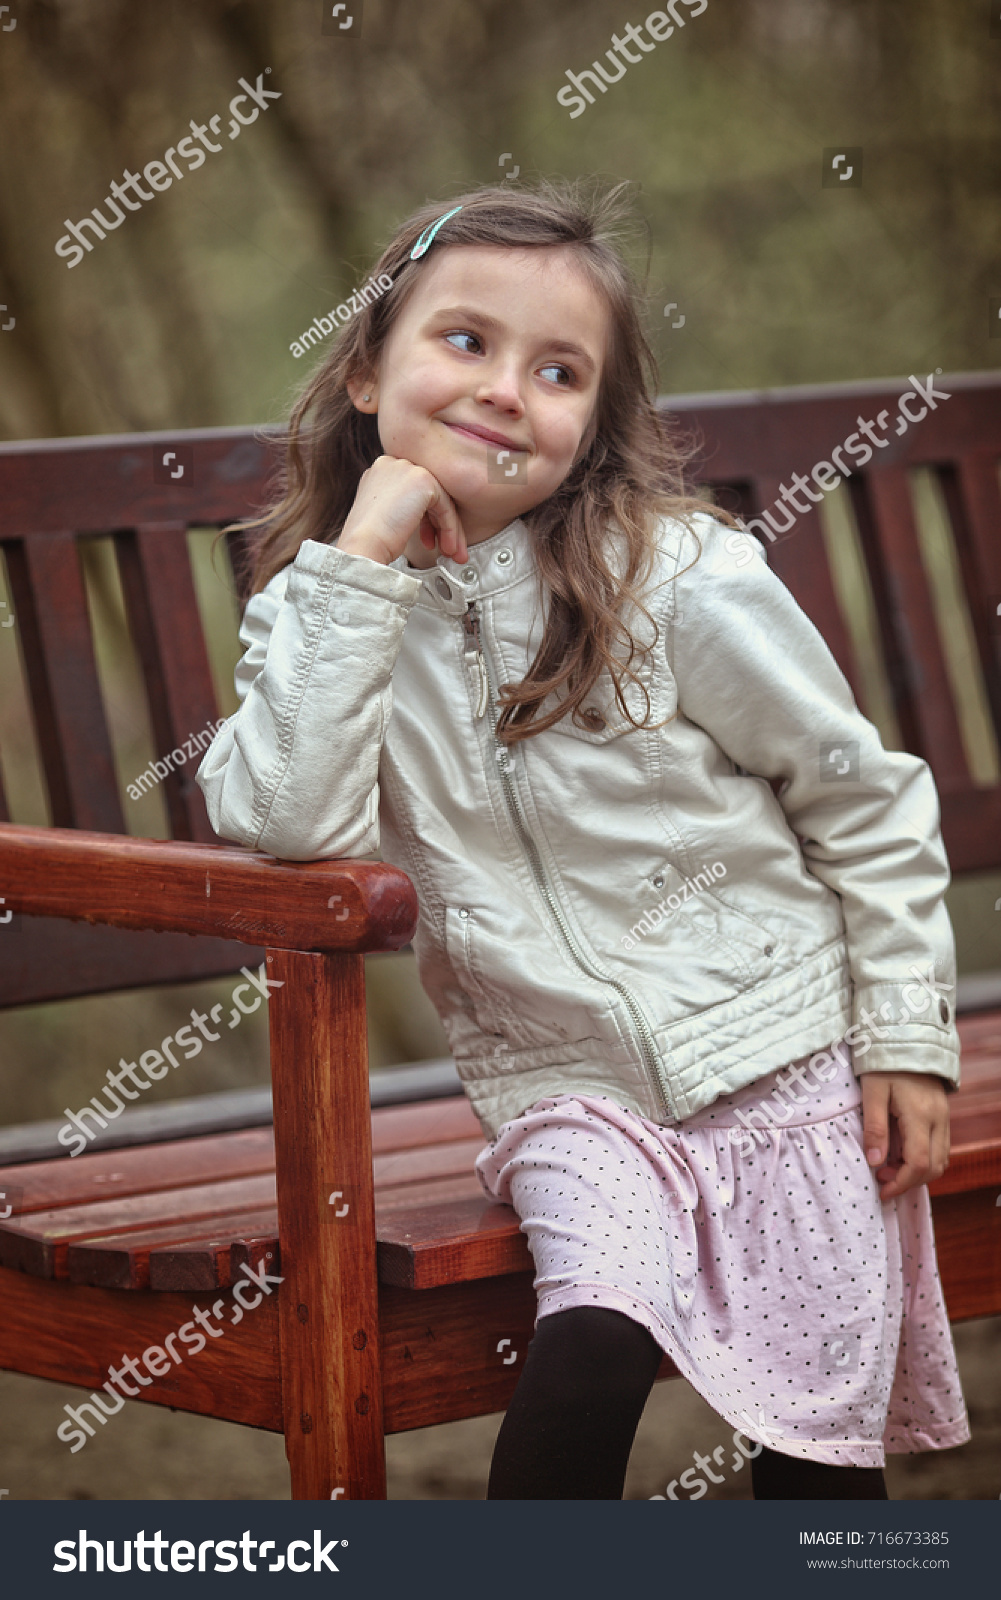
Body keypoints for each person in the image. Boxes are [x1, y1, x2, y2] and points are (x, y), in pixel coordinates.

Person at [196, 179, 970, 1500]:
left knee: (811, 1425)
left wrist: (905, 1034)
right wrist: (366, 555)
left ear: (592, 426)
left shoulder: (676, 578)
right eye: (464, 342)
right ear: (368, 373)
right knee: (590, 1347)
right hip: (567, 1097)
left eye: (557, 370)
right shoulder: (319, 616)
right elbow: (284, 820)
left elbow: (864, 800)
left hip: (780, 1048)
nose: (505, 387)